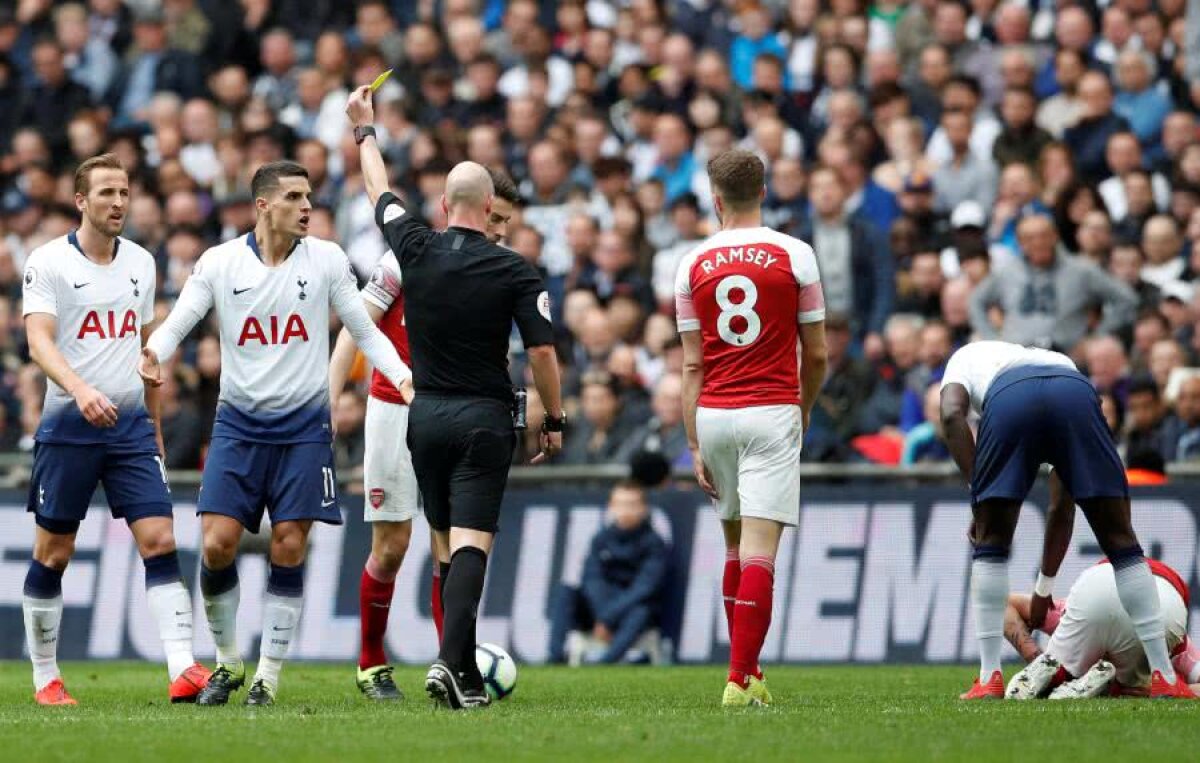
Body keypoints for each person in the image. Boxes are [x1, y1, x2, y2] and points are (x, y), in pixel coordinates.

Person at [140, 161, 413, 707]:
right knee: (217, 544)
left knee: (289, 545)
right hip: (238, 424)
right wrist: (155, 351)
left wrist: (403, 375)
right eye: (295, 196)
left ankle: (266, 677)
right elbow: (184, 316)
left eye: (309, 195)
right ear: (264, 205)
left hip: (304, 428)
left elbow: (362, 329)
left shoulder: (329, 259)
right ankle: (227, 661)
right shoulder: (221, 262)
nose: (308, 205)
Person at [346, 85, 564, 710]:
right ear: (491, 205)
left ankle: (462, 674)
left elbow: (378, 192)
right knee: (472, 544)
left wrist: (366, 130)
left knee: (443, 542)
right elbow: (542, 354)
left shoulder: (413, 248)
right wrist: (554, 416)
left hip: (423, 418)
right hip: (480, 418)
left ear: (443, 204)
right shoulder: (515, 270)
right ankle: (448, 663)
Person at [19, 154, 210, 706]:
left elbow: (145, 350)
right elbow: (39, 343)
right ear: (81, 201)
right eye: (106, 192)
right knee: (54, 553)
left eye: (124, 192)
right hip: (67, 426)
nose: (118, 202)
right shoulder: (49, 262)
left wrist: (152, 423)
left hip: (128, 429)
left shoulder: (142, 263)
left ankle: (182, 668)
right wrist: (80, 391)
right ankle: (45, 678)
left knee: (160, 539)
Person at [326, 166, 520, 701]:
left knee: (454, 547)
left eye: (506, 221)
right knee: (392, 545)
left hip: (452, 411)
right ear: (472, 207)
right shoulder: (406, 258)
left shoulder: (498, 267)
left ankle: (452, 663)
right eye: (495, 216)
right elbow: (356, 331)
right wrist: (330, 399)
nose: (498, 229)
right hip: (394, 409)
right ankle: (371, 661)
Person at [939, 340, 1195, 699]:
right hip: (1073, 392)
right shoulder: (1060, 362)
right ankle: (1164, 676)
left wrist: (978, 494)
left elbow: (952, 414)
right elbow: (1061, 507)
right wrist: (1044, 586)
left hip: (1009, 397)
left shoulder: (966, 357)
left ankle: (989, 677)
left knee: (991, 544)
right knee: (1122, 542)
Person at [676, 149, 827, 707]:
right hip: (771, 408)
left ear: (715, 200)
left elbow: (691, 363)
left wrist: (692, 440)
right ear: (763, 192)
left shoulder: (691, 262)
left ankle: (750, 672)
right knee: (761, 552)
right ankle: (739, 679)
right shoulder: (796, 254)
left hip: (714, 413)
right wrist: (803, 406)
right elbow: (816, 352)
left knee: (735, 548)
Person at [1004, 559, 1199, 699]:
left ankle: (1059, 674)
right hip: (1165, 604)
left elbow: (1004, 605)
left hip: (1099, 584)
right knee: (1132, 687)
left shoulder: (1065, 612)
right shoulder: (1181, 648)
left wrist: (1033, 655)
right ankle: (1117, 687)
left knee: (1060, 666)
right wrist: (1167, 689)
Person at [547, 481, 668, 665]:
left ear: (644, 508)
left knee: (642, 610)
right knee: (566, 590)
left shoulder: (655, 544)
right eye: (620, 504)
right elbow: (591, 579)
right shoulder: (601, 539)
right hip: (599, 607)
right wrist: (602, 616)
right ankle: (555, 658)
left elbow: (645, 588)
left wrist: (607, 619)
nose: (626, 510)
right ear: (611, 507)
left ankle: (606, 662)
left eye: (632, 505)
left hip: (630, 611)